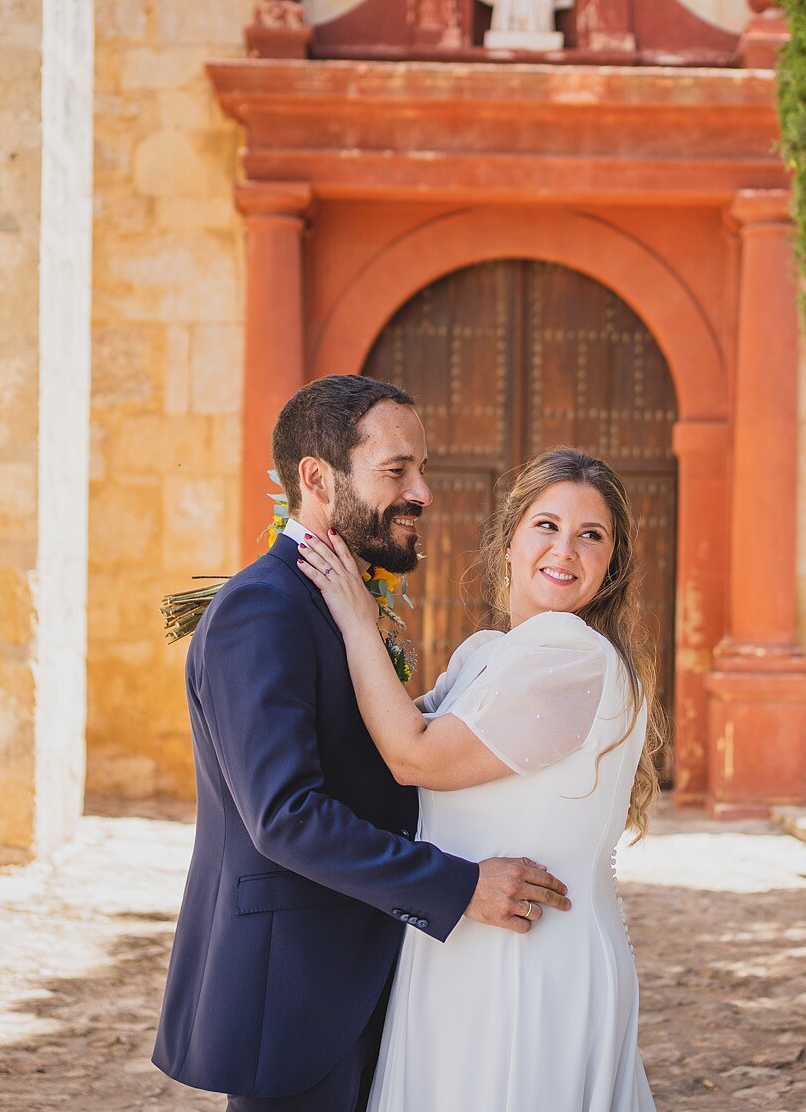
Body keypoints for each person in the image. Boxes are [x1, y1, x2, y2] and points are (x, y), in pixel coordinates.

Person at [153, 375, 572, 1112]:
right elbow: (285, 814)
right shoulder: (262, 607)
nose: (422, 492)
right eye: (396, 470)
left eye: (423, 468)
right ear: (317, 479)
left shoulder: (337, 601)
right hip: (295, 992)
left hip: (361, 978)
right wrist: (460, 884)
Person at [296, 446, 661, 1112]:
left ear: (613, 563)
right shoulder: (487, 653)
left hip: (531, 958)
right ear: (512, 537)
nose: (566, 550)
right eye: (547, 525)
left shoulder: (573, 655)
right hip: (461, 939)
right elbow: (387, 741)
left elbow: (415, 756)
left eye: (592, 535)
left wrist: (355, 617)